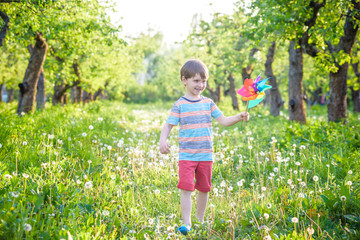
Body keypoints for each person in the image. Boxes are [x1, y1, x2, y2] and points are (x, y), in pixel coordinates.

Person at [159, 59, 249, 236]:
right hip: (187, 155)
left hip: (206, 155)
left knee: (204, 188)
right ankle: (187, 223)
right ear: (184, 80)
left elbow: (223, 121)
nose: (201, 85)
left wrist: (238, 116)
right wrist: (163, 140)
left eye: (204, 81)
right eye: (196, 80)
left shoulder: (208, 103)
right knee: (185, 188)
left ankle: (199, 221)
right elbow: (169, 125)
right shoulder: (180, 104)